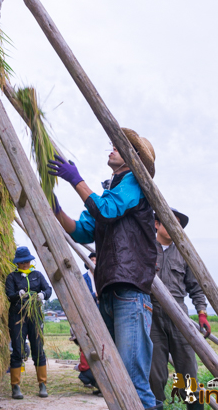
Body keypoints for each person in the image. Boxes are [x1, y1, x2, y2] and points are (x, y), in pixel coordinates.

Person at [48, 128, 161, 410]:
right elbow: (82, 230)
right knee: (115, 375)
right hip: (110, 291)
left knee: (133, 379)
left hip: (130, 290)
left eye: (119, 147)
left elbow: (107, 210)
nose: (111, 149)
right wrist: (56, 209)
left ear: (133, 158)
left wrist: (76, 180)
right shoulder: (109, 191)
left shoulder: (135, 181)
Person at [149, 208, 210, 410]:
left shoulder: (184, 253)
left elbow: (196, 287)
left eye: (177, 224)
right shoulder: (146, 248)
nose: (174, 227)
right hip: (151, 315)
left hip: (179, 316)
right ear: (156, 224)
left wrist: (202, 313)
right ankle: (156, 405)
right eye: (168, 221)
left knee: (187, 371)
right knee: (154, 374)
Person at [4, 246, 53, 399]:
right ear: (17, 263)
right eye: (22, 262)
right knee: (18, 350)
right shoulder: (12, 277)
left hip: (35, 316)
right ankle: (16, 386)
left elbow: (48, 289)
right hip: (18, 316)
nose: (25, 264)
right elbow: (9, 295)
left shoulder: (37, 275)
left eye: (27, 261)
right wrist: (17, 295)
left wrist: (42, 294)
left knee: (38, 348)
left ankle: (42, 384)